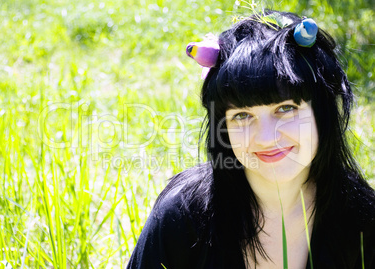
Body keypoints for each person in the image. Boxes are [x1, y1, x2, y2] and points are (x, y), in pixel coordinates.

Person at [127, 10, 375, 269]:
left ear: (321, 112)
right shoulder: (183, 216)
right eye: (242, 115)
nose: (266, 138)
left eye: (286, 108)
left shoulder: (361, 219)